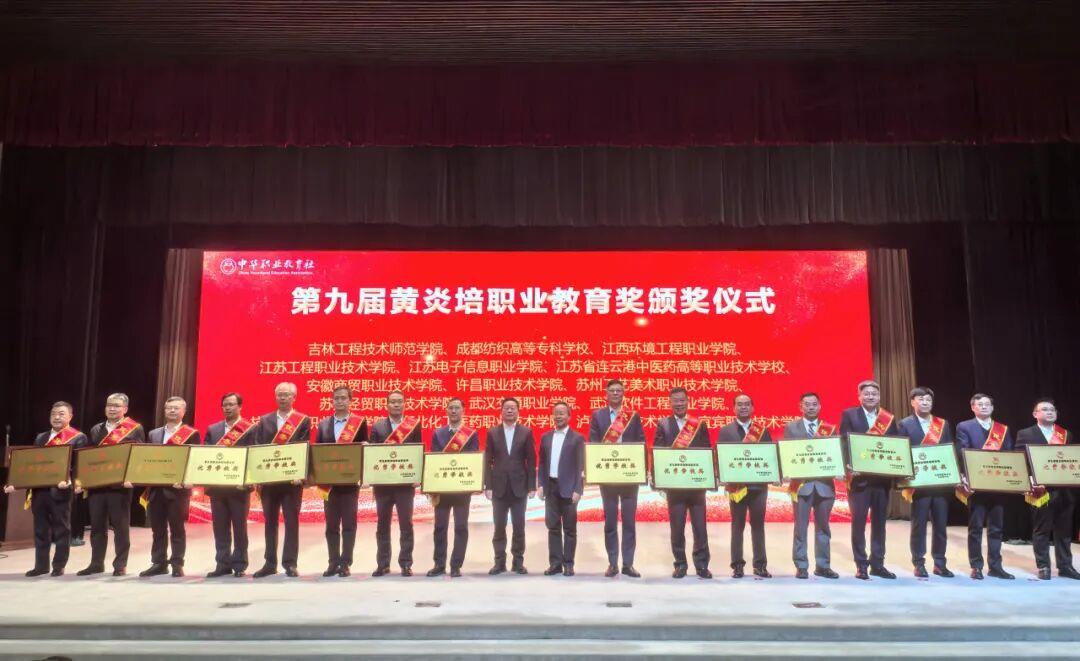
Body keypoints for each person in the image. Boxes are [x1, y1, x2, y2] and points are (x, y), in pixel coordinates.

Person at [4, 401, 87, 577]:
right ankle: (41, 566)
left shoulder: (78, 437)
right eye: (53, 414)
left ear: (70, 416)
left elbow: (80, 465)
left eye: (61, 414)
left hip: (61, 490)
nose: (56, 417)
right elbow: (34, 464)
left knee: (61, 529)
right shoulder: (41, 437)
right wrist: (15, 482)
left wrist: (71, 481)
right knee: (40, 529)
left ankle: (59, 565)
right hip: (40, 490)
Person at [78, 393, 145, 577]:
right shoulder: (96, 429)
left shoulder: (134, 428)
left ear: (125, 409)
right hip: (97, 485)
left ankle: (120, 564)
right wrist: (83, 481)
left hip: (120, 486)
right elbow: (88, 457)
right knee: (97, 527)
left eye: (116, 405)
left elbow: (138, 456)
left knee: (120, 527)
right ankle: (96, 563)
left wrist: (132, 477)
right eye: (109, 405)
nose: (112, 408)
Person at [840, 380, 899, 580]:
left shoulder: (888, 419)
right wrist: (848, 466)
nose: (870, 396)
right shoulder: (849, 415)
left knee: (880, 523)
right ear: (859, 396)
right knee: (858, 523)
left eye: (874, 393)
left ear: (879, 396)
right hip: (859, 481)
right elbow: (844, 442)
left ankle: (878, 564)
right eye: (866, 393)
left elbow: (895, 445)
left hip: (881, 481)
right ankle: (861, 564)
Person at [1015, 398, 1080, 580]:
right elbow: (1019, 460)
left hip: (1065, 490)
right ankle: (1043, 566)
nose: (1050, 412)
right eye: (1044, 409)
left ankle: (1065, 566)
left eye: (1052, 409)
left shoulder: (1065, 434)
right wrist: (1031, 481)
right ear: (1035, 414)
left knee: (1064, 531)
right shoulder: (1025, 433)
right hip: (1041, 490)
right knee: (1041, 530)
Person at [588, 379, 645, 578]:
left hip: (629, 476)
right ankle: (612, 563)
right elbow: (594, 443)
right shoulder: (598, 416)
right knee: (610, 522)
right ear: (606, 393)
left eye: (618, 390)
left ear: (623, 393)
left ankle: (628, 564)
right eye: (612, 390)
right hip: (608, 476)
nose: (615, 393)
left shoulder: (632, 416)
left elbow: (640, 441)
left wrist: (641, 468)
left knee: (629, 522)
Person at [253, 382, 310, 578]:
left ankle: (290, 563)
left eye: (286, 394)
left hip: (291, 482)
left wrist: (300, 474)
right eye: (279, 394)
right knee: (270, 522)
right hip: (269, 482)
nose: (283, 398)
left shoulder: (302, 420)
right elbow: (258, 447)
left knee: (291, 522)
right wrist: (258, 476)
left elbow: (303, 448)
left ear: (294, 397)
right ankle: (269, 563)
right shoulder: (265, 420)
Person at [897, 386, 955, 578]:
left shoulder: (942, 424)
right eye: (921, 399)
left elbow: (949, 450)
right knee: (919, 525)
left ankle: (940, 563)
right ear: (912, 402)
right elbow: (902, 452)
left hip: (940, 484)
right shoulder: (904, 424)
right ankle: (918, 562)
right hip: (919, 484)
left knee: (940, 526)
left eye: (928, 399)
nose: (925, 402)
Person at [654, 387, 712, 579]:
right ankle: (680, 564)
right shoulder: (663, 424)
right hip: (675, 486)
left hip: (696, 485)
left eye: (682, 400)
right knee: (677, 527)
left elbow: (706, 451)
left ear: (688, 401)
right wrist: (659, 480)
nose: (679, 404)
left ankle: (702, 565)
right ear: (670, 403)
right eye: (675, 401)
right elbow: (658, 452)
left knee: (700, 527)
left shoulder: (699, 424)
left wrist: (708, 477)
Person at [956, 393, 1016, 580]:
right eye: (980, 404)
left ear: (992, 407)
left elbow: (1010, 453)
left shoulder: (1002, 429)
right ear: (972, 407)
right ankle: (976, 566)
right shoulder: (964, 426)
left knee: (996, 528)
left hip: (997, 484)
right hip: (977, 483)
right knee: (975, 527)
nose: (984, 407)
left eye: (987, 404)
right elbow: (962, 451)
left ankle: (996, 566)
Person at [140, 397, 200, 578]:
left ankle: (177, 563)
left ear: (184, 411)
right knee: (157, 529)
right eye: (169, 408)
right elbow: (147, 459)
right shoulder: (154, 434)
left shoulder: (191, 433)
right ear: (164, 410)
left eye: (176, 408)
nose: (172, 411)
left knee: (177, 529)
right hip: (156, 489)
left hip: (178, 490)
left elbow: (195, 460)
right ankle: (159, 563)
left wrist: (187, 480)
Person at [717, 394, 774, 578]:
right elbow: (721, 457)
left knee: (758, 526)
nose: (743, 407)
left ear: (752, 408)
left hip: (759, 487)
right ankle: (737, 566)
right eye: (739, 404)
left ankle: (760, 565)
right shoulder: (726, 431)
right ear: (733, 408)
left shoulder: (762, 431)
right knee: (737, 526)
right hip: (737, 487)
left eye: (747, 404)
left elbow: (770, 455)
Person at [783, 392, 839, 579]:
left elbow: (835, 454)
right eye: (807, 404)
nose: (811, 407)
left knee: (823, 528)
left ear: (820, 406)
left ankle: (823, 566)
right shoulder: (791, 428)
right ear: (800, 407)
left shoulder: (829, 429)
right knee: (800, 528)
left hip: (824, 486)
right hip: (801, 486)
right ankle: (801, 565)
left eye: (814, 404)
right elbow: (787, 454)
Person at [368, 390, 421, 576]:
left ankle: (406, 563)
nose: (396, 404)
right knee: (382, 525)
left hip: (405, 486)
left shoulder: (413, 426)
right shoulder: (378, 427)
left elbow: (417, 452)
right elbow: (372, 455)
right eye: (393, 402)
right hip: (383, 486)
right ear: (387, 404)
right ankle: (382, 564)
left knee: (406, 524)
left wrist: (417, 476)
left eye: (399, 401)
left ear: (404, 404)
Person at [203, 392, 256, 578]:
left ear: (240, 406)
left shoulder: (250, 429)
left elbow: (253, 456)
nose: (227, 408)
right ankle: (222, 564)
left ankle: (240, 564)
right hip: (217, 487)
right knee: (220, 527)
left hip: (239, 487)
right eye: (225, 404)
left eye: (231, 404)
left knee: (240, 527)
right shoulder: (213, 429)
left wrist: (247, 481)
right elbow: (206, 455)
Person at [315, 386, 365, 577]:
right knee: (331, 526)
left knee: (349, 525)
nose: (340, 401)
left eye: (344, 398)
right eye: (336, 398)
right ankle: (332, 562)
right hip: (329, 485)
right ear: (332, 401)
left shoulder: (359, 423)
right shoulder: (323, 424)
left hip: (350, 483)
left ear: (350, 400)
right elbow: (318, 452)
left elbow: (364, 450)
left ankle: (345, 563)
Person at [483, 397, 536, 575]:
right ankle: (499, 562)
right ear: (501, 411)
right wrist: (488, 485)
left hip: (519, 487)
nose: (510, 411)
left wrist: (531, 486)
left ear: (518, 411)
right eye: (507, 408)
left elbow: (531, 460)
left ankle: (518, 562)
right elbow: (487, 460)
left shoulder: (526, 432)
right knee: (499, 527)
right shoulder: (492, 432)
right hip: (498, 488)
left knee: (519, 527)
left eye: (513, 408)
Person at [427, 397, 478, 578]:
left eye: (457, 407)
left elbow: (473, 459)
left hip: (461, 489)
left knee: (461, 527)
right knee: (440, 527)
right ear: (447, 410)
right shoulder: (438, 433)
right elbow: (433, 460)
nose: (454, 411)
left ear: (463, 410)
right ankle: (439, 564)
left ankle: (456, 565)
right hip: (442, 488)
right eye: (451, 408)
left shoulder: (470, 434)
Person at [538, 401, 585, 577]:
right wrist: (541, 484)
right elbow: (542, 463)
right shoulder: (546, 437)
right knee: (553, 527)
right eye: (556, 413)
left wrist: (578, 489)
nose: (558, 416)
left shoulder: (577, 438)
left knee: (570, 529)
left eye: (562, 413)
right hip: (551, 488)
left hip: (569, 489)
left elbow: (581, 466)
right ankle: (555, 564)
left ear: (569, 416)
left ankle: (569, 564)